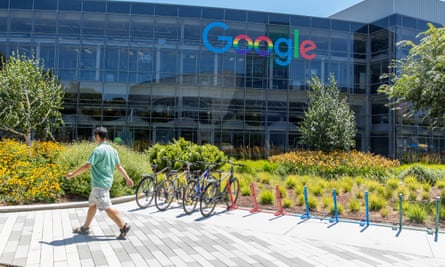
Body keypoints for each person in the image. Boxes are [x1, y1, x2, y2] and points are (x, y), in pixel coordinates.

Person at [66, 127, 134, 239]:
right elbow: (118, 166)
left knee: (107, 206)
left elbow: (88, 165)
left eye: (94, 136)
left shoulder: (98, 150)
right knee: (93, 204)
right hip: (103, 184)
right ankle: (85, 228)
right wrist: (128, 178)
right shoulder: (113, 150)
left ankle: (123, 226)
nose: (94, 138)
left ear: (97, 136)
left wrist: (72, 174)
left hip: (100, 185)